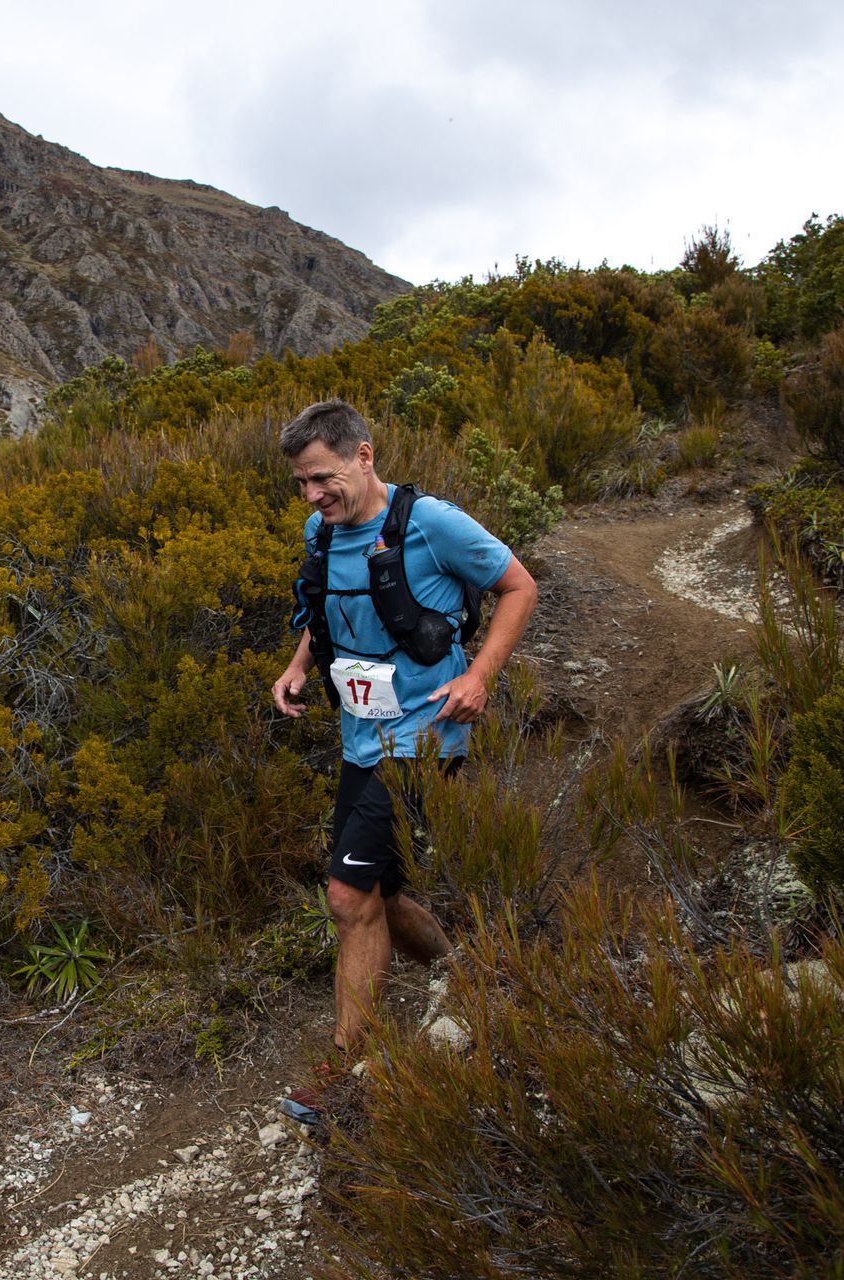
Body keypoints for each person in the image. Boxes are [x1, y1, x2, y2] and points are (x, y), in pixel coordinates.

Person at [270, 398, 537, 1125]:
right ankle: (464, 973)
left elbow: (519, 587)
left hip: (425, 735)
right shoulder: (319, 533)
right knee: (379, 895)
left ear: (364, 455)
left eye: (322, 477)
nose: (313, 496)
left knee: (348, 899)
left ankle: (341, 1076)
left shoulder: (433, 524)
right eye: (302, 483)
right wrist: (297, 667)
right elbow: (322, 613)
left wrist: (479, 675)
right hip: (365, 735)